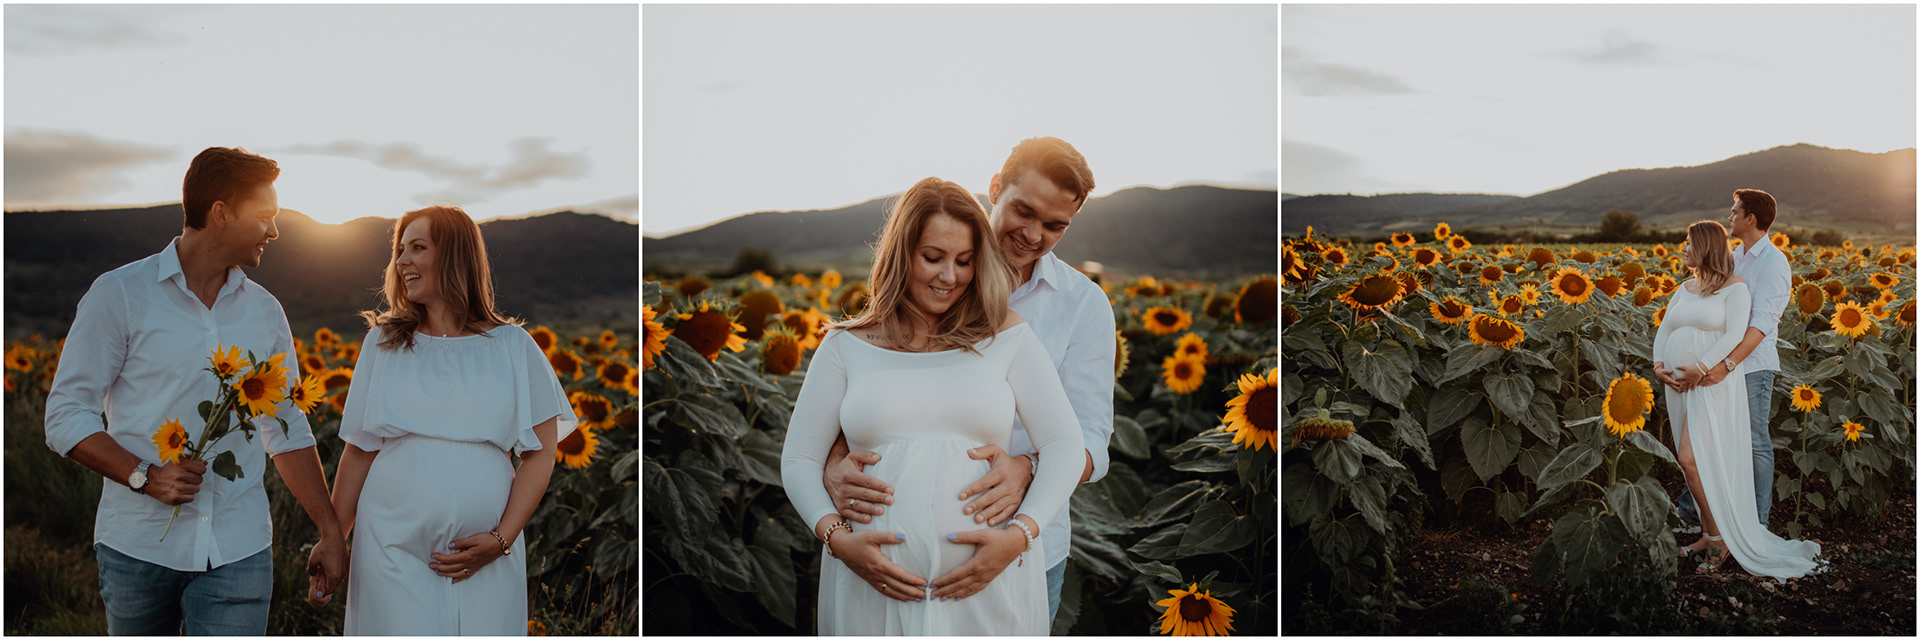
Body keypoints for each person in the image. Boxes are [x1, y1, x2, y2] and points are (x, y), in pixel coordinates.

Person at [43, 146, 347, 634]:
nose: (274, 231)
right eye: (265, 216)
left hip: (238, 549)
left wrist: (331, 532)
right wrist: (144, 475)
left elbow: (286, 427)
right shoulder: (119, 294)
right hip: (137, 547)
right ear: (221, 214)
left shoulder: (264, 311)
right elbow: (65, 416)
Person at [821, 137, 1114, 624]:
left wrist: (1027, 467)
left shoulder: (1083, 307)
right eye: (1024, 211)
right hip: (885, 556)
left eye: (1055, 225)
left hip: (1021, 545)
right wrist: (831, 464)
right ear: (995, 188)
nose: (1034, 234)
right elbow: (869, 396)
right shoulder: (933, 284)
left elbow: (1090, 440)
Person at [329, 205, 577, 635]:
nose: (402, 261)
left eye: (418, 248)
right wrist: (333, 538)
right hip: (390, 544)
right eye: (400, 250)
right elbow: (358, 450)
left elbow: (541, 454)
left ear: (455, 257)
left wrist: (501, 540)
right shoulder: (383, 345)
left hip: (484, 555)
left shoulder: (512, 346)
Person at [1651, 220, 1819, 579]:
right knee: (1694, 463)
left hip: (1711, 382)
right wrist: (1658, 365)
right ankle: (1711, 535)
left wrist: (1701, 366)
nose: (1682, 249)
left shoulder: (1736, 288)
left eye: (1687, 243)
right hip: (1678, 385)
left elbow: (1735, 334)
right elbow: (1666, 327)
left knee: (1690, 458)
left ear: (1705, 248)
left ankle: (1722, 537)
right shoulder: (1685, 288)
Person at [1665, 189, 1793, 534]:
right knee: (1709, 438)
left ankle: (1757, 523)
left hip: (1750, 366)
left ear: (1751, 218)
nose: (1729, 217)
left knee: (1753, 442)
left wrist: (1726, 366)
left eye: (1735, 212)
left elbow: (1761, 325)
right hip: (1715, 366)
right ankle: (1699, 517)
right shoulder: (1734, 256)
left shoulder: (1773, 263)